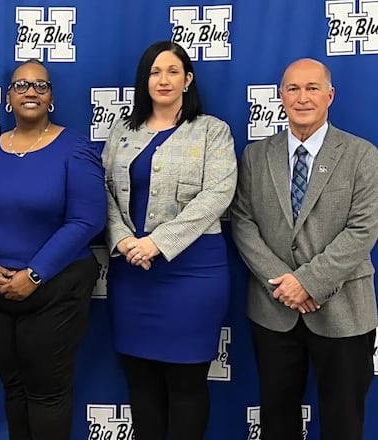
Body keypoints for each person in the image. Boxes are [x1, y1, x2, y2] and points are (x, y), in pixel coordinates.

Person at [231, 58, 378, 440]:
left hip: (345, 311)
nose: (302, 97)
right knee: (277, 420)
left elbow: (363, 230)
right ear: (281, 96)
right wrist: (283, 284)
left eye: (312, 88)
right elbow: (243, 222)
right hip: (274, 310)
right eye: (293, 89)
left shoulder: (361, 154)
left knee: (344, 423)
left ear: (329, 96)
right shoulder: (255, 156)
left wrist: (309, 283)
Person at [0, 59, 106, 440]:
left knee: (46, 394)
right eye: (21, 85)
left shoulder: (75, 148)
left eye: (41, 85)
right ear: (8, 97)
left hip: (55, 290)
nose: (31, 92)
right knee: (14, 389)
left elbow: (88, 220)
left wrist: (36, 273)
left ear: (51, 97)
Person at [102, 41, 237, 439]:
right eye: (155, 72)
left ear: (187, 79)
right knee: (140, 381)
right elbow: (103, 191)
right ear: (144, 81)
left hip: (193, 274)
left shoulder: (212, 130)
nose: (163, 80)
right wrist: (123, 240)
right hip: (132, 272)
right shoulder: (122, 131)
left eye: (173, 71)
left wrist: (157, 243)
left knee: (186, 383)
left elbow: (218, 194)